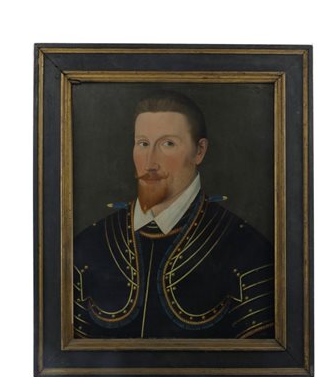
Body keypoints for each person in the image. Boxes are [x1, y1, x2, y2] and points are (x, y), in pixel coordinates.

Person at [73, 91, 274, 339]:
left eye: (168, 144)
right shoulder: (88, 245)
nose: (150, 163)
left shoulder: (247, 249)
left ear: (199, 151)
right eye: (143, 143)